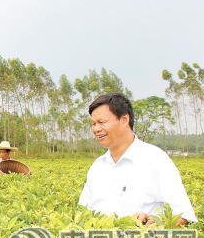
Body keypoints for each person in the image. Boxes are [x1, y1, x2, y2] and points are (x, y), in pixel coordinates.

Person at [78, 93, 197, 226]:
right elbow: (82, 213)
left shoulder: (156, 159)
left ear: (124, 120)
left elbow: (185, 214)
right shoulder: (97, 167)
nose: (96, 129)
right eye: (93, 124)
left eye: (102, 122)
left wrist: (158, 222)